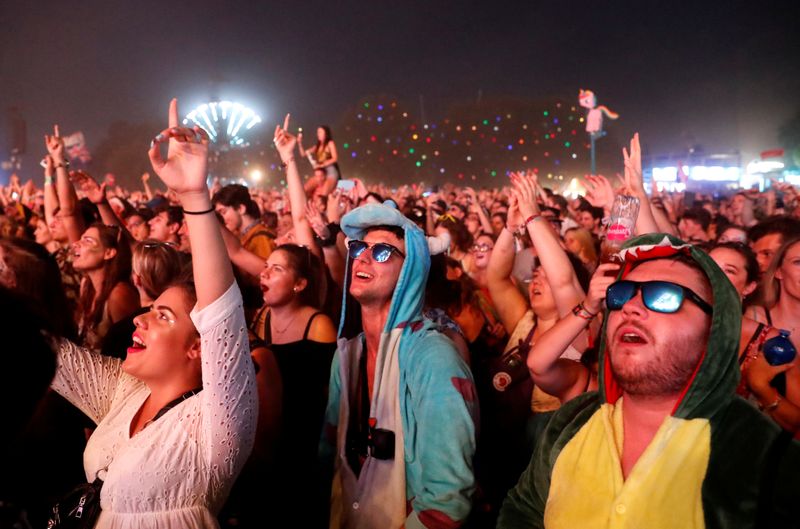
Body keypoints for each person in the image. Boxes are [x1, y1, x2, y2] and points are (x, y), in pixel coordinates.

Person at [498, 233, 800, 528]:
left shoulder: (765, 456)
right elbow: (523, 511)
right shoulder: (572, 421)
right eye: (622, 294)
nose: (630, 306)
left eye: (663, 296)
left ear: (714, 329)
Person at [50, 99, 257, 528]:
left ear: (199, 346)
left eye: (163, 316)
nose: (140, 319)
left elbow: (222, 314)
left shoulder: (215, 422)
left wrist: (194, 195)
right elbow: (42, 349)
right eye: (151, 311)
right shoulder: (125, 393)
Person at [317, 197, 478, 528]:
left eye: (382, 252)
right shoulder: (346, 355)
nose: (363, 256)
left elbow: (446, 502)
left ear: (412, 269)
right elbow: (328, 455)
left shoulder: (434, 359)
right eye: (360, 247)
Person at [72, 223, 140, 349]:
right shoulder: (86, 285)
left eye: (87, 240)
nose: (75, 244)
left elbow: (127, 347)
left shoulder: (119, 294)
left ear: (109, 253)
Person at [212, 184, 275, 260]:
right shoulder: (241, 235)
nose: (221, 218)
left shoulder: (261, 239)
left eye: (223, 212)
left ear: (241, 209)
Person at [298, 125, 340, 195]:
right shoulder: (317, 146)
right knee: (305, 189)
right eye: (318, 132)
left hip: (330, 171)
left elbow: (335, 158)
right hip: (320, 173)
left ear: (326, 133)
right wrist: (299, 143)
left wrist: (322, 164)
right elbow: (303, 154)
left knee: (324, 193)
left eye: (320, 132)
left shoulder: (330, 143)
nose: (318, 134)